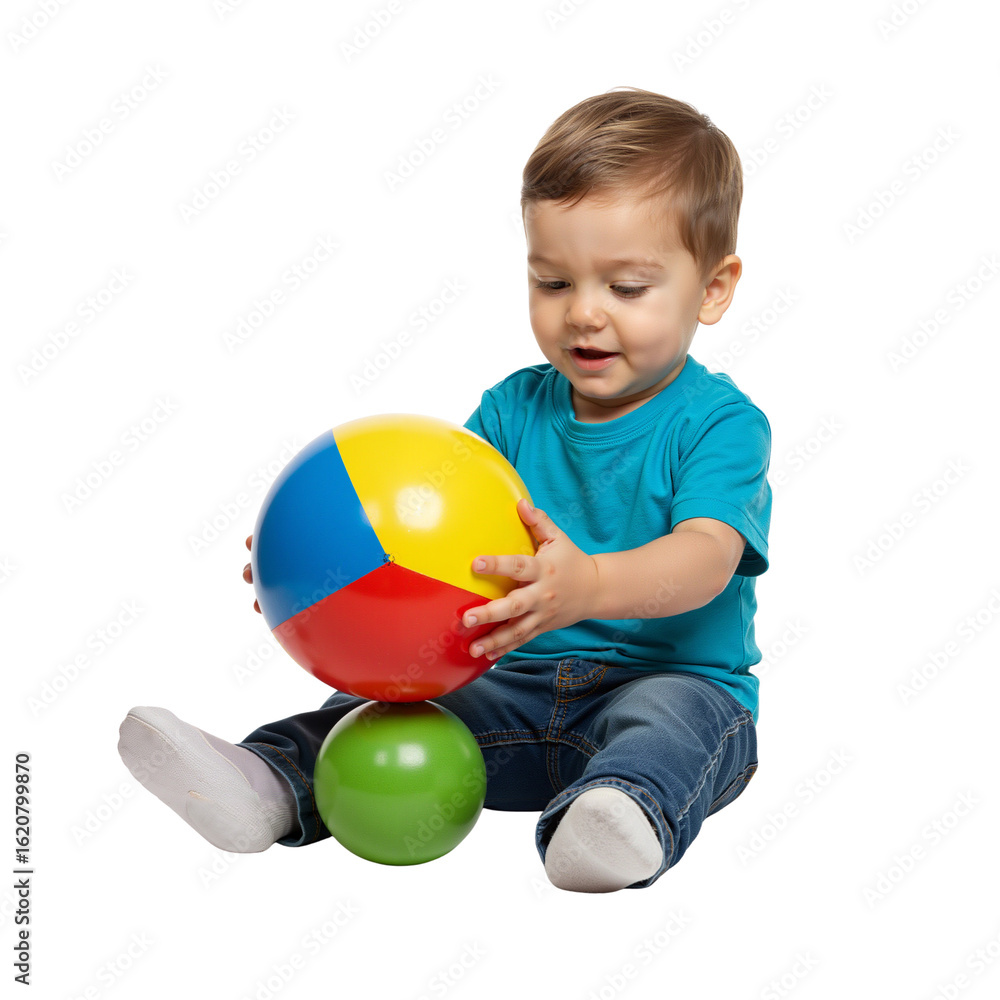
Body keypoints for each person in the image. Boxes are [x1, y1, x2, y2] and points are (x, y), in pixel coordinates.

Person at [118, 87, 772, 893]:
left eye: (627, 287)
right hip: (506, 688)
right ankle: (268, 782)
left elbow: (706, 558)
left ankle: (617, 815)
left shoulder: (721, 424)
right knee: (382, 706)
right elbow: (436, 544)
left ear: (713, 288)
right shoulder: (509, 410)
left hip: (666, 683)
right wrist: (318, 567)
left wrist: (590, 585)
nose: (584, 314)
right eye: (553, 282)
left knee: (675, 724)